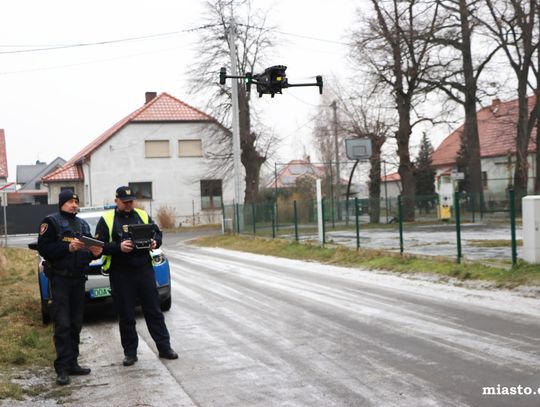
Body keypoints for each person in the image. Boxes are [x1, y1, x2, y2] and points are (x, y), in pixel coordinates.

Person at [94, 186, 177, 367]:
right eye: (125, 202)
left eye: (131, 201)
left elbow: (157, 233)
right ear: (116, 201)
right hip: (121, 272)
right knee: (126, 315)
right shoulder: (107, 219)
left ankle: (164, 348)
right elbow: (98, 247)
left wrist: (155, 242)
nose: (128, 205)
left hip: (144, 270)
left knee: (154, 311)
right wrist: (118, 247)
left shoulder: (142, 215)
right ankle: (130, 353)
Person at [37, 190, 103, 386]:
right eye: (70, 202)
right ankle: (62, 368)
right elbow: (44, 249)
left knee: (76, 323)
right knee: (63, 324)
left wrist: (95, 253)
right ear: (62, 204)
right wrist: (67, 248)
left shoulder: (82, 224)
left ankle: (73, 363)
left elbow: (88, 253)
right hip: (61, 280)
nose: (74, 205)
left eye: (76, 201)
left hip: (78, 280)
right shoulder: (51, 222)